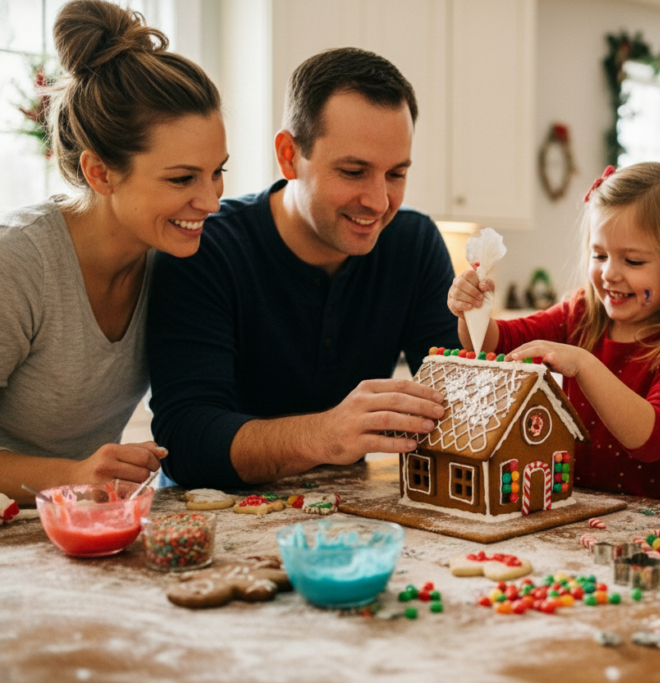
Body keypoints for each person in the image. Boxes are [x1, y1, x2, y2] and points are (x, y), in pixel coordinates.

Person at [147, 48, 458, 489]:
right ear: (289, 155)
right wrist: (326, 435)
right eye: (353, 171)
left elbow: (456, 392)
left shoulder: (414, 242)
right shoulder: (206, 249)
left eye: (396, 174)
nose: (379, 201)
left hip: (350, 515)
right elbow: (186, 444)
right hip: (214, 519)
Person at [0, 0, 226, 505]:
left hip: (65, 528)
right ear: (100, 172)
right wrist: (73, 473)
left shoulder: (170, 256)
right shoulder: (16, 264)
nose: (211, 201)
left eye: (217, 172)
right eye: (182, 178)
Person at [448, 163, 660, 504]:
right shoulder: (580, 314)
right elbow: (497, 344)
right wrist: (473, 311)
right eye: (599, 255)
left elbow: (652, 437)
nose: (609, 273)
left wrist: (583, 363)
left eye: (634, 261)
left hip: (651, 532)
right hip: (572, 514)